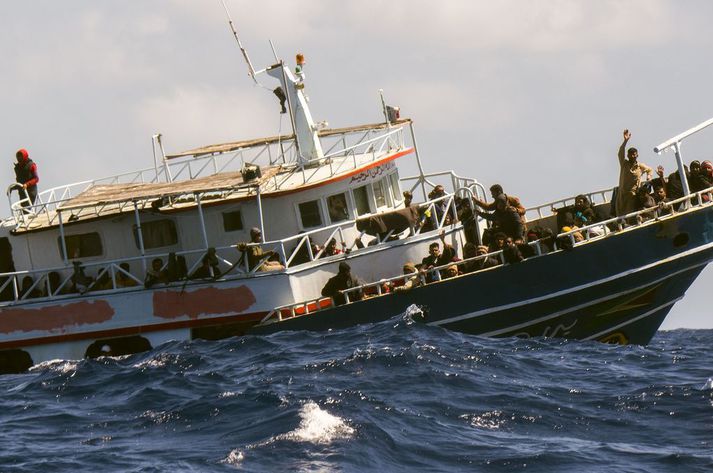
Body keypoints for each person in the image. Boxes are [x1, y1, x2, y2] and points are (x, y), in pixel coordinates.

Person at [616, 129, 653, 217]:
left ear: (637, 155)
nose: (633, 156)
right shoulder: (624, 164)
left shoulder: (640, 166)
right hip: (622, 194)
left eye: (634, 154)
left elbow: (650, 170)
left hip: (632, 195)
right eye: (631, 154)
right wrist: (625, 141)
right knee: (620, 215)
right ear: (628, 155)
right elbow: (620, 152)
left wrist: (649, 177)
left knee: (629, 215)